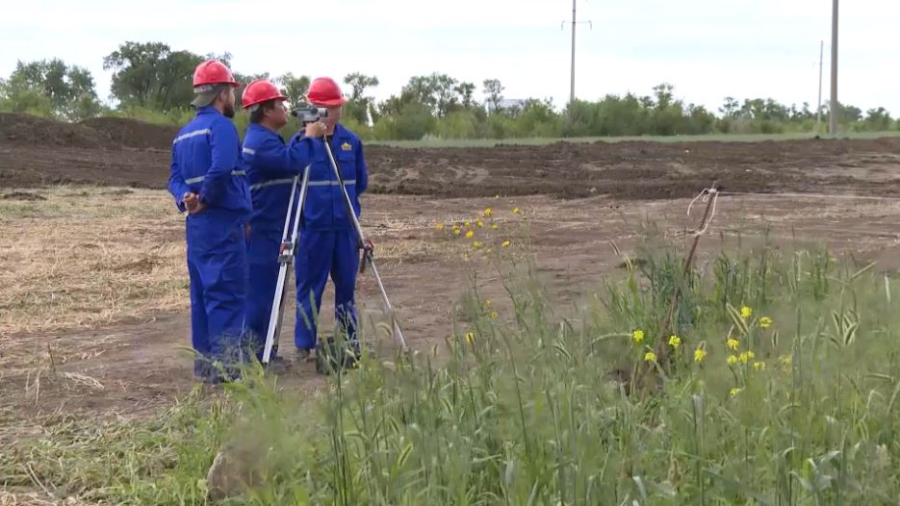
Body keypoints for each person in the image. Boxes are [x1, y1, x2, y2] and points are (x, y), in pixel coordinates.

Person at [167, 60, 251, 383]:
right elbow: (222, 168)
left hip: (197, 229)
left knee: (202, 296)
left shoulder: (183, 135)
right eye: (232, 92)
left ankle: (205, 369)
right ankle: (228, 373)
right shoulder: (222, 128)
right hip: (222, 223)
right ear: (222, 94)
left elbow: (173, 178)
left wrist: (184, 197)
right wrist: (204, 199)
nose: (234, 98)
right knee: (227, 297)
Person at [239, 79, 327, 362]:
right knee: (261, 296)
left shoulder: (264, 139)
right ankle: (253, 356)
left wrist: (304, 137)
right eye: (280, 104)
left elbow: (289, 157)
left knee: (270, 295)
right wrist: (311, 137)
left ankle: (266, 351)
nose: (285, 109)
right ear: (266, 110)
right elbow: (291, 162)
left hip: (274, 226)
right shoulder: (259, 143)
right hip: (264, 228)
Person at [292, 77, 370, 361]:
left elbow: (360, 183)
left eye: (339, 106)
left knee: (346, 288)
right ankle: (304, 344)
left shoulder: (351, 142)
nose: (339, 111)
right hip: (313, 230)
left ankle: (349, 340)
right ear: (321, 109)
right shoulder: (301, 143)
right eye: (335, 106)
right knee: (309, 288)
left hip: (344, 230)